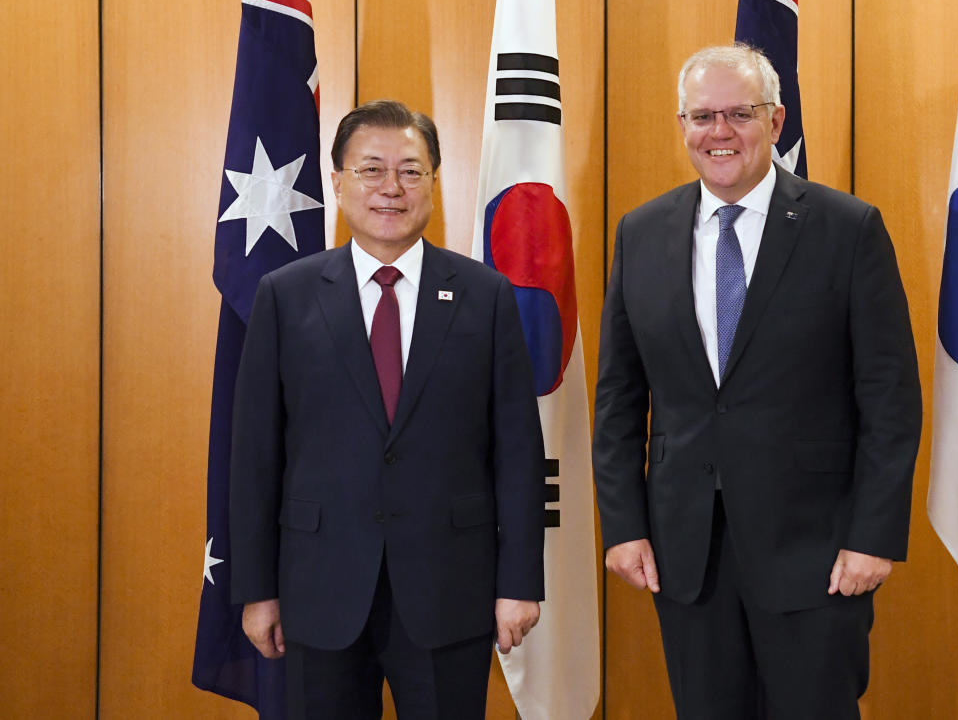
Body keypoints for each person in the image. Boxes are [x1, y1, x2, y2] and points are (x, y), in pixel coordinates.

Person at [592, 45, 922, 719]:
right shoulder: (643, 233)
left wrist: (873, 536)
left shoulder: (847, 229)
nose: (720, 132)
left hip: (818, 553)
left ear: (775, 122)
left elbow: (889, 396)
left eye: (739, 114)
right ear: (682, 125)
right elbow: (619, 399)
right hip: (688, 555)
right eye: (703, 116)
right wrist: (623, 526)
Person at [230, 100, 545, 719]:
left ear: (434, 180)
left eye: (411, 170)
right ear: (338, 181)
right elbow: (255, 457)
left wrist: (520, 584)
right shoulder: (285, 297)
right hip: (318, 591)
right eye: (372, 170)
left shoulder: (485, 296)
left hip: (449, 590)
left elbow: (517, 453)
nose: (391, 189)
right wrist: (256, 591)